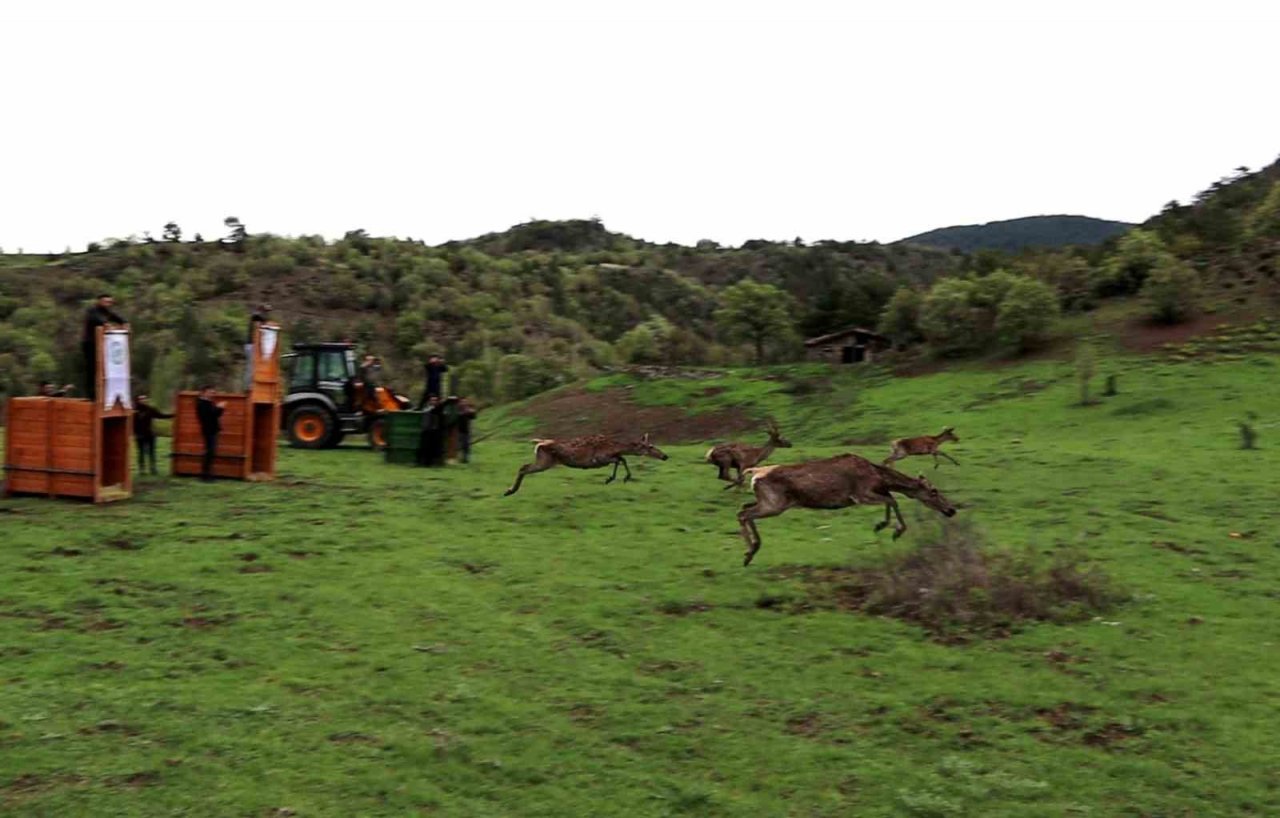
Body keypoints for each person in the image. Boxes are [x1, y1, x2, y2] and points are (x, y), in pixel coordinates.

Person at [82, 294, 127, 399]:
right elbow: (96, 319)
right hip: (90, 343)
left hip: (102, 344)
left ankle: (104, 393)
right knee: (91, 369)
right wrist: (106, 324)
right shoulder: (92, 310)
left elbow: (118, 318)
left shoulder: (107, 312)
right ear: (99, 301)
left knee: (103, 369)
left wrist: (124, 323)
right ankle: (91, 395)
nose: (108, 304)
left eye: (110, 302)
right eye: (106, 302)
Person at [132, 393, 174, 475]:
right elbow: (131, 424)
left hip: (149, 434)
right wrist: (135, 433)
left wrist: (173, 415)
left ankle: (153, 468)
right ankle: (142, 469)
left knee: (152, 452)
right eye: (141, 399)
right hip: (139, 434)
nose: (143, 400)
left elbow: (160, 415)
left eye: (145, 399)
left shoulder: (150, 409)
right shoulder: (135, 411)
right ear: (138, 401)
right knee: (141, 452)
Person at [196, 386, 226, 482]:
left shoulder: (206, 402)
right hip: (209, 431)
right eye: (210, 392)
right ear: (204, 393)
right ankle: (205, 476)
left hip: (211, 430)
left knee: (210, 453)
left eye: (213, 393)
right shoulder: (202, 403)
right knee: (209, 453)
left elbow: (214, 415)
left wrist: (219, 408)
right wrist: (220, 407)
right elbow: (211, 416)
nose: (212, 394)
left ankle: (207, 474)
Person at [243, 303, 273, 390]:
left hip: (252, 345)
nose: (267, 313)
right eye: (266, 311)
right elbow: (258, 324)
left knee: (253, 365)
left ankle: (251, 384)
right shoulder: (256, 316)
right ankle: (248, 386)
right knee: (251, 365)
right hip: (251, 345)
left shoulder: (259, 317)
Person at [416, 395, 444, 467]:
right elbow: (428, 411)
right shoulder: (426, 408)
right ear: (429, 401)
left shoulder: (438, 409)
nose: (433, 401)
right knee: (424, 447)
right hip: (426, 430)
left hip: (434, 430)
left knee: (432, 447)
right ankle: (422, 462)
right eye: (432, 400)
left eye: (435, 400)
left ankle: (430, 463)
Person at [456, 397, 478, 463]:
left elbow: (474, 416)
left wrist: (472, 411)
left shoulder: (468, 410)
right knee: (458, 445)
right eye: (462, 401)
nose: (463, 403)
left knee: (466, 445)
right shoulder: (457, 409)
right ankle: (458, 458)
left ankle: (465, 459)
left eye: (465, 402)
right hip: (458, 431)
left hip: (466, 431)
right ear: (459, 402)